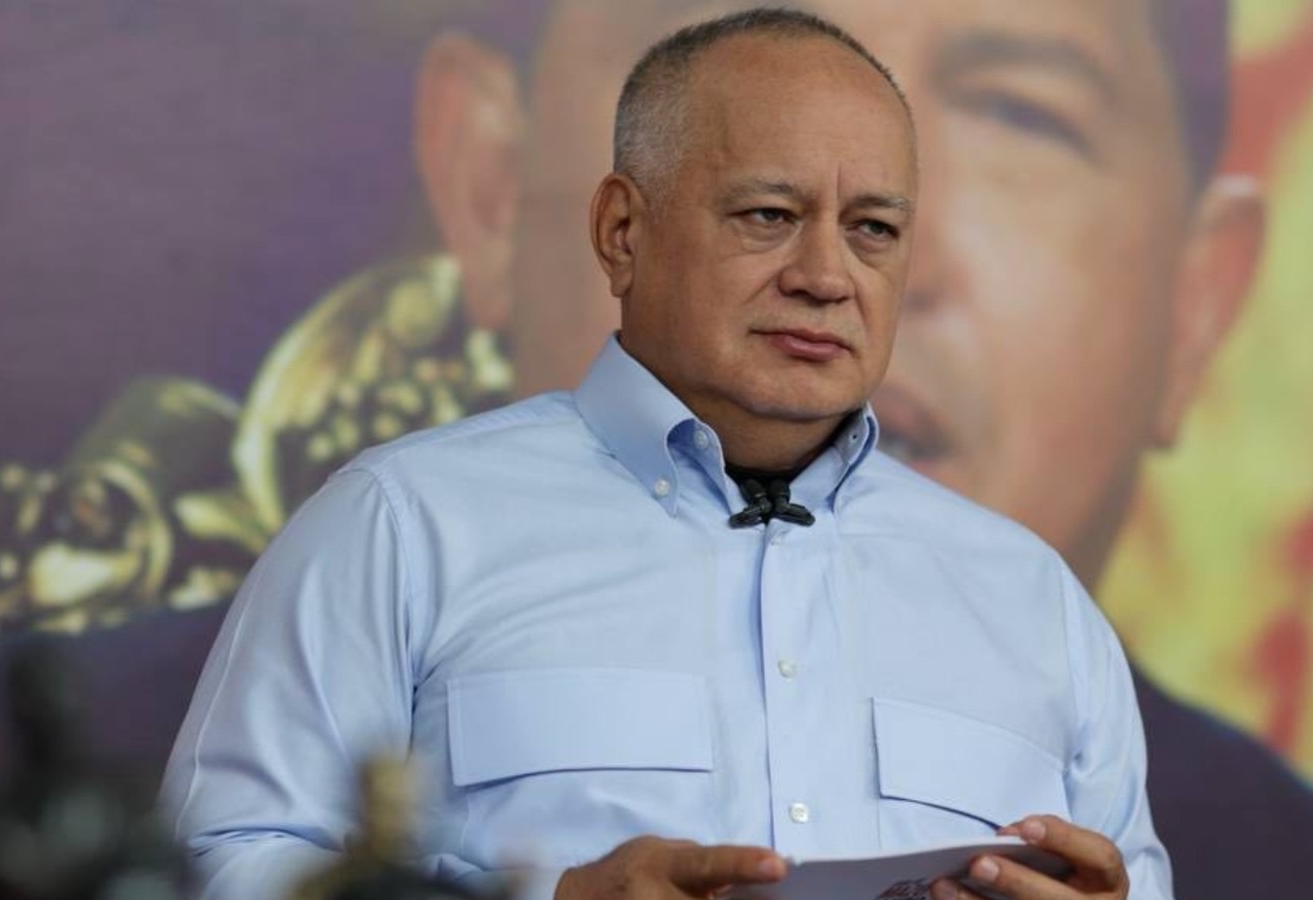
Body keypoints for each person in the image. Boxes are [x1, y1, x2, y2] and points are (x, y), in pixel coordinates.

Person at [163, 9, 1169, 900]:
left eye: (872, 229)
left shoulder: (1033, 602)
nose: (826, 275)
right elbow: (205, 867)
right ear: (620, 231)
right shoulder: (404, 526)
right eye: (769, 216)